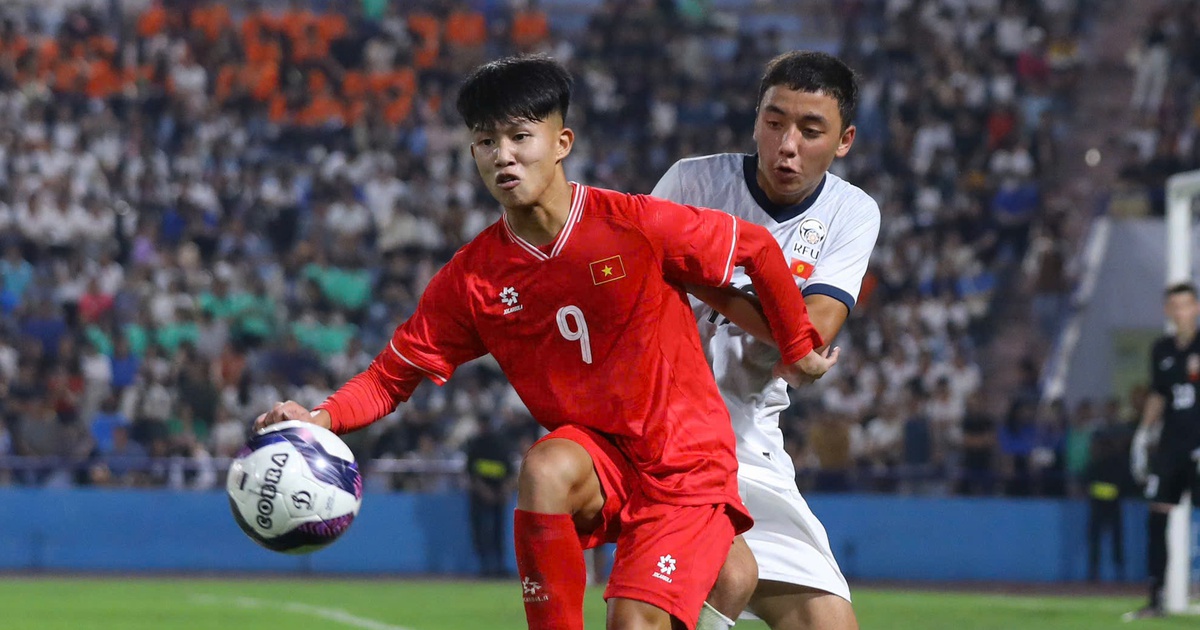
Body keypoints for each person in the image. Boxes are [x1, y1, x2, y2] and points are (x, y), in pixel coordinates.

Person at [256, 55, 839, 630]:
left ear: (561, 143)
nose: (503, 155)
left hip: (682, 461)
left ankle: (713, 577)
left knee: (634, 624)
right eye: (486, 142)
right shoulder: (473, 278)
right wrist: (321, 418)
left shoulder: (632, 223)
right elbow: (391, 376)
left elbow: (758, 247)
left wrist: (796, 344)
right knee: (544, 467)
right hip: (600, 461)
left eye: (520, 136)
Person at [652, 50, 879, 630]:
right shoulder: (691, 180)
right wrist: (789, 334)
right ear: (756, 119)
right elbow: (796, 345)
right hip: (667, 432)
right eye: (774, 122)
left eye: (810, 129)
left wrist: (702, 276)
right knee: (727, 575)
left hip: (753, 441)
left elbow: (815, 330)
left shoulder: (851, 211)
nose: (786, 144)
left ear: (844, 140)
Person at [1125, 282, 1200, 620]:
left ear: (1196, 308)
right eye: (1174, 306)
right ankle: (1156, 598)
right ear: (1167, 311)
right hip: (1172, 446)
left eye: (1186, 305)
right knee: (1157, 518)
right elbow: (1158, 394)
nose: (1180, 312)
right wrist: (1143, 434)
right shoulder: (1162, 349)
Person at [465, 415, 517, 578]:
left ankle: (497, 567)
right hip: (482, 497)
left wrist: (503, 491)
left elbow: (509, 472)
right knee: (484, 533)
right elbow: (471, 474)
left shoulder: (499, 445)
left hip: (495, 496)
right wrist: (486, 491)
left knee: (496, 534)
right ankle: (487, 567)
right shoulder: (476, 445)